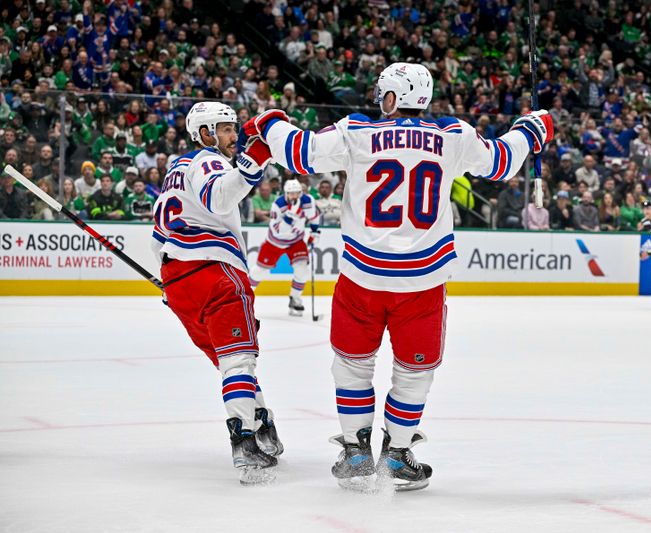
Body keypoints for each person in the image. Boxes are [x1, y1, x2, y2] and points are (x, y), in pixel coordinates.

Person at [251, 62, 553, 491]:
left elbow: (298, 152)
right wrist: (532, 130)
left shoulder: (356, 131)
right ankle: (396, 455)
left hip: (362, 279)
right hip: (423, 283)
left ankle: (356, 452)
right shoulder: (454, 136)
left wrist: (271, 122)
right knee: (415, 373)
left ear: (391, 97)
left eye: (382, 93)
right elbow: (501, 163)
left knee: (353, 367)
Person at [151, 101, 282, 485]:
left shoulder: (175, 170)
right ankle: (244, 440)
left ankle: (262, 425)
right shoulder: (208, 161)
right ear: (205, 133)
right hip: (216, 273)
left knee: (229, 363)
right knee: (240, 360)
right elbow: (219, 198)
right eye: (225, 128)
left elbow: (158, 235)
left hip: (179, 281)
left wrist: (167, 278)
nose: (233, 135)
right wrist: (255, 160)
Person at [249, 179, 320, 316]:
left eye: (297, 193)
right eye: (291, 193)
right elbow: (278, 231)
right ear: (285, 193)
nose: (294, 196)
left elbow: (314, 217)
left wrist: (315, 232)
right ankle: (243, 295)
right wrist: (290, 216)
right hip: (275, 241)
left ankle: (295, 299)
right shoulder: (278, 205)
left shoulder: (307, 200)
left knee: (302, 269)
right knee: (260, 271)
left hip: (296, 241)